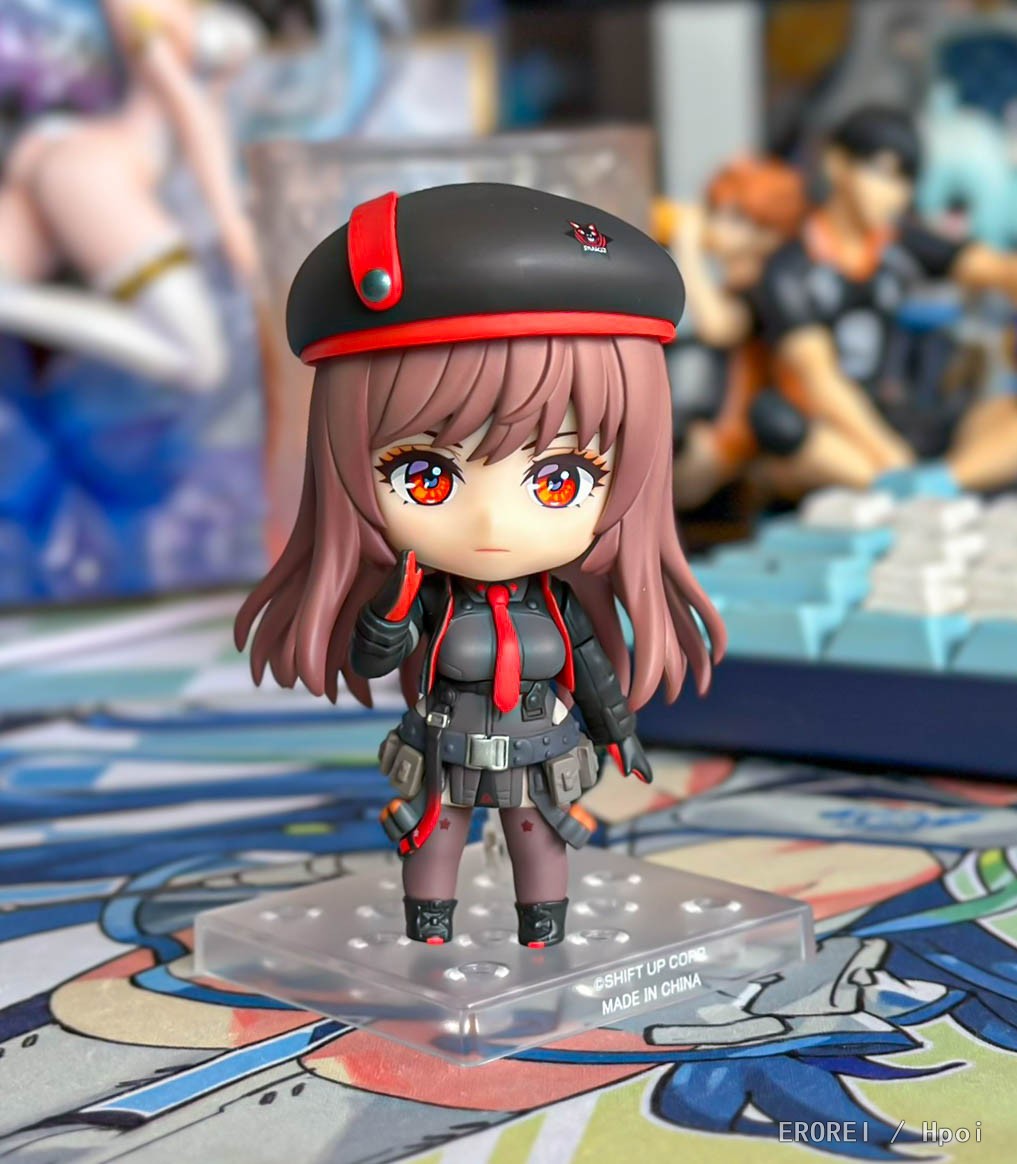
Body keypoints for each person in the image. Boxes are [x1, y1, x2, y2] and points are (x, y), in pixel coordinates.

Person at [235, 184, 725, 948]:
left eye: (558, 480)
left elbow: (590, 669)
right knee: (433, 838)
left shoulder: (555, 606)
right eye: (426, 476)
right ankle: (428, 929)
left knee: (541, 839)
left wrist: (619, 730)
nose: (493, 522)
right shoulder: (428, 599)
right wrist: (390, 612)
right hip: (444, 747)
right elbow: (376, 656)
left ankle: (542, 930)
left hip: (539, 746)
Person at [748, 104, 1017, 497]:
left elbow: (995, 268)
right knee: (779, 424)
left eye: (906, 180)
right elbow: (819, 380)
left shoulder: (900, 243)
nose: (894, 194)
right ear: (837, 164)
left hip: (912, 419)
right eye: (882, 173)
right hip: (841, 437)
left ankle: (942, 483)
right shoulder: (790, 268)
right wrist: (891, 455)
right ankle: (897, 486)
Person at [0, 0, 263, 391]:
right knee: (199, 361)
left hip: (86, 164)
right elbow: (186, 106)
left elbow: (211, 110)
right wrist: (231, 220)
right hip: (98, 171)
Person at [665, 158, 809, 509]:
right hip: (715, 417)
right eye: (717, 212)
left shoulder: (768, 289)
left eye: (734, 218)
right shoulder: (735, 284)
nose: (717, 225)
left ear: (770, 232)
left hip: (742, 432)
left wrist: (687, 248)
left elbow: (718, 326)